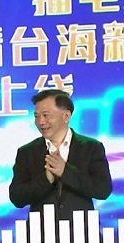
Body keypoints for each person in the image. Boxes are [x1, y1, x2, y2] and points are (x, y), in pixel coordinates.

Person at [9, 89, 112, 221]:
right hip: (40, 231)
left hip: (81, 230)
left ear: (66, 116)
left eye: (46, 115)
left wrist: (66, 172)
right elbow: (17, 198)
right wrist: (46, 179)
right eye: (36, 116)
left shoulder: (91, 148)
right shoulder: (27, 152)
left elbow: (103, 190)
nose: (40, 122)